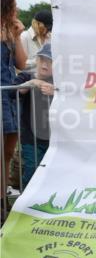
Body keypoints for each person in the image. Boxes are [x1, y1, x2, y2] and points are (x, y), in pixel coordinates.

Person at [1, 0, 28, 213]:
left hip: (8, 95)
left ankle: (4, 192)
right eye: (14, 5)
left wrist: (17, 37)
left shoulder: (11, 31)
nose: (17, 9)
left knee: (8, 150)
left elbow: (21, 63)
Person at [19, 43, 54, 186]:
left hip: (53, 138)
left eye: (50, 62)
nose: (45, 65)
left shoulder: (59, 82)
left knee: (50, 172)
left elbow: (71, 95)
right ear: (37, 60)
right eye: (42, 60)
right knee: (32, 170)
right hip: (30, 137)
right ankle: (25, 202)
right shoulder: (26, 76)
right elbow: (14, 91)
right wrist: (32, 82)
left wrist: (56, 92)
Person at [20, 10, 52, 75]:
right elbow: (19, 65)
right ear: (36, 23)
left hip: (48, 79)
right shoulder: (24, 37)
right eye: (46, 27)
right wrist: (39, 61)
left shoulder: (50, 37)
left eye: (50, 28)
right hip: (28, 80)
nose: (48, 30)